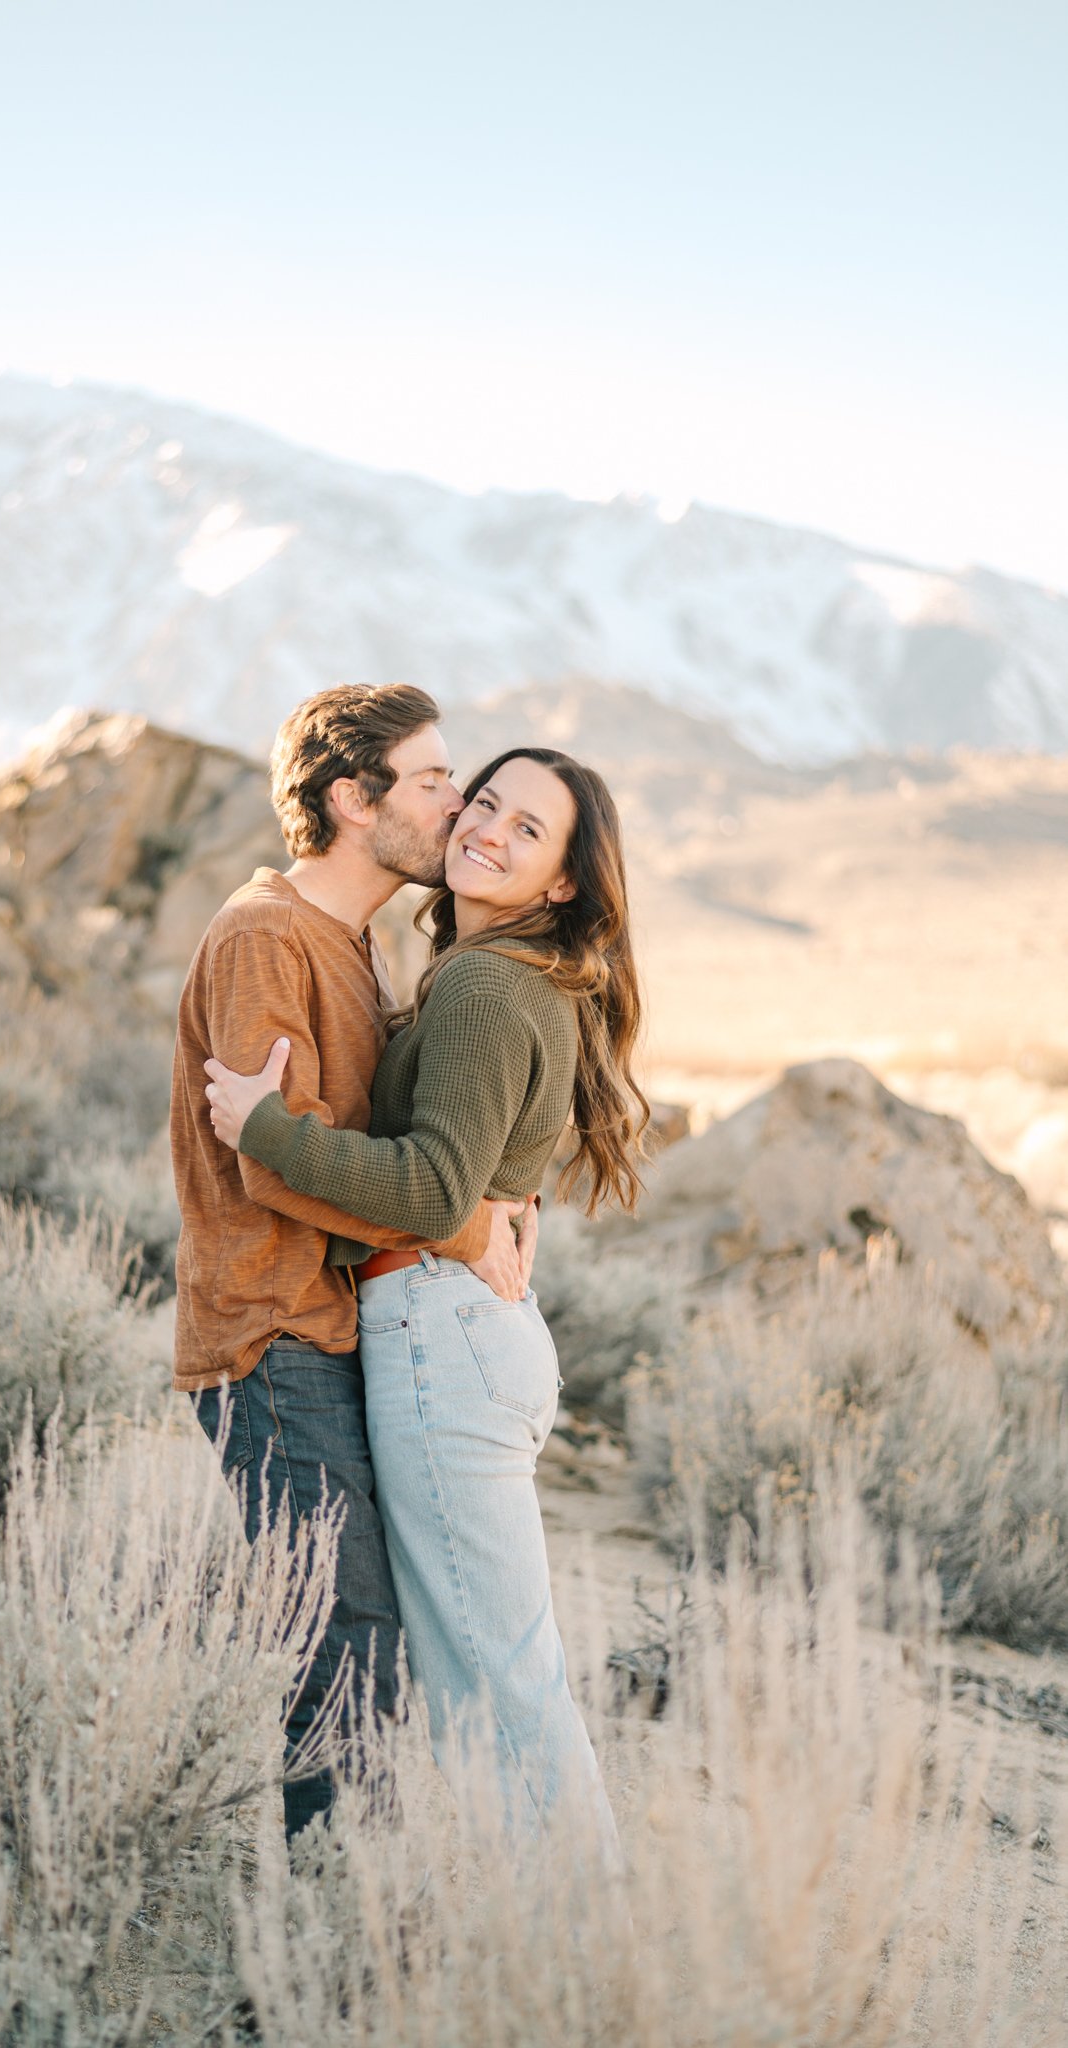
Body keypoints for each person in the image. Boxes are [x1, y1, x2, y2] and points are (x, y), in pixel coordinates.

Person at [204, 746, 649, 1869]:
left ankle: (584, 1964)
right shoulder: (504, 974)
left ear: (560, 882)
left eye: (526, 828)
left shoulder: (486, 984)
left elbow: (434, 1190)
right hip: (461, 1337)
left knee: (499, 1685)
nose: (484, 826)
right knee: (488, 1676)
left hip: (443, 1341)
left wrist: (266, 1128)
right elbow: (484, 1164)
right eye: (482, 800)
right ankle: (554, 1943)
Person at [170, 684, 536, 1845]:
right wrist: (461, 1224)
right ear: (350, 797)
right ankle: (332, 1961)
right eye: (432, 781)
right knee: (344, 1644)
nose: (458, 802)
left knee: (364, 1640)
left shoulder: (353, 941)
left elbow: (373, 1136)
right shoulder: (266, 934)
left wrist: (486, 1189)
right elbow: (271, 1158)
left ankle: (348, 1935)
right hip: (267, 1337)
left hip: (331, 1332)